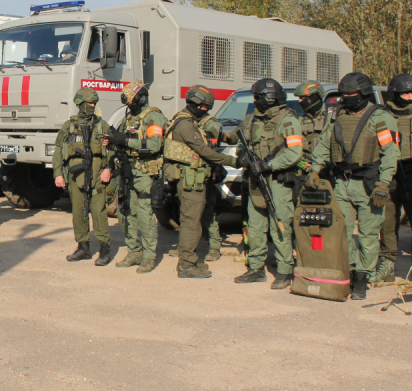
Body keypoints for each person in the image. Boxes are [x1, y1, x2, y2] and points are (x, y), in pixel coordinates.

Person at [308, 72, 398, 300]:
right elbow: (325, 144)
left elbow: (390, 153)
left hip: (369, 183)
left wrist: (384, 183)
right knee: (342, 231)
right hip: (342, 182)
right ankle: (347, 271)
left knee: (368, 234)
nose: (346, 98)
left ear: (364, 94)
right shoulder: (337, 115)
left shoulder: (380, 117)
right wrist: (315, 169)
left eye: (351, 94)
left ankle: (362, 278)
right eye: (344, 94)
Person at [234, 78, 303, 287]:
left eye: (258, 97)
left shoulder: (288, 120)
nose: (255, 101)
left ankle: (284, 271)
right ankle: (256, 268)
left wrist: (268, 165)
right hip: (255, 181)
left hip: (278, 182)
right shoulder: (253, 119)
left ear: (270, 97)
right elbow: (240, 144)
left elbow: (295, 153)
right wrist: (243, 157)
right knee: (255, 227)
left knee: (279, 226)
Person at [163, 85, 237, 278]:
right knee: (191, 223)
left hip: (189, 179)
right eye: (204, 107)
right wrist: (233, 161)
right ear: (197, 104)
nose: (206, 111)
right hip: (191, 180)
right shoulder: (187, 124)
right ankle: (187, 265)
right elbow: (204, 151)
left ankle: (190, 261)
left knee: (191, 220)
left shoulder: (181, 120)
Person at [105, 81, 167, 274]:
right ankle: (134, 251)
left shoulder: (153, 117)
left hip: (145, 171)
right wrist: (113, 141)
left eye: (132, 103)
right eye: (128, 104)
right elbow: (123, 141)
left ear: (141, 98)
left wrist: (125, 140)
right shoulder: (129, 118)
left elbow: (154, 145)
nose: (130, 107)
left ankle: (149, 256)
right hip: (127, 170)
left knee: (144, 214)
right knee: (125, 212)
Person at [378, 73, 412, 281]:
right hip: (389, 172)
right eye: (405, 92)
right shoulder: (382, 115)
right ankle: (387, 263)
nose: (409, 96)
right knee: (387, 220)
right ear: (394, 93)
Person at [52, 88, 115, 265]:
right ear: (80, 104)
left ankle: (104, 249)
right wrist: (58, 174)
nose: (93, 106)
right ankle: (83, 247)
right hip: (75, 174)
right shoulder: (69, 125)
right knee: (79, 211)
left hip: (96, 174)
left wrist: (108, 168)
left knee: (98, 211)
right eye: (90, 103)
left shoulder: (102, 125)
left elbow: (113, 150)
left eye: (95, 103)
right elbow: (58, 151)